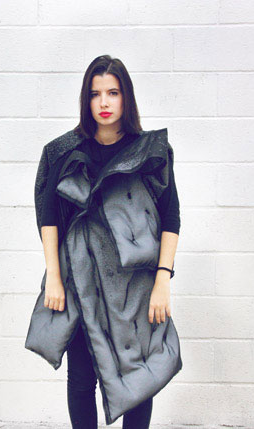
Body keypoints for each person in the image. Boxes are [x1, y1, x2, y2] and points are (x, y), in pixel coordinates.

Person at [29, 55, 181, 428]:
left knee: (139, 378)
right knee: (82, 379)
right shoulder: (64, 152)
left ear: (126, 97)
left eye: (113, 92)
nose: (104, 102)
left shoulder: (150, 152)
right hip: (82, 281)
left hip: (135, 286)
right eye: (96, 94)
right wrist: (54, 277)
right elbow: (49, 218)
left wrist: (163, 279)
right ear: (87, 100)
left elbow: (170, 216)